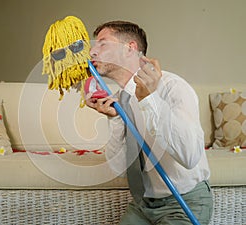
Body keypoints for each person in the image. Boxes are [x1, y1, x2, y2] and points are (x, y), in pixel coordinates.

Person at [85, 20, 213, 225]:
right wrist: (115, 118)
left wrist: (149, 99)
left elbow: (189, 156)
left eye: (102, 43)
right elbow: (119, 169)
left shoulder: (172, 87)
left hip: (184, 202)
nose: (92, 51)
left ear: (130, 48)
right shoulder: (119, 99)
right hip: (143, 205)